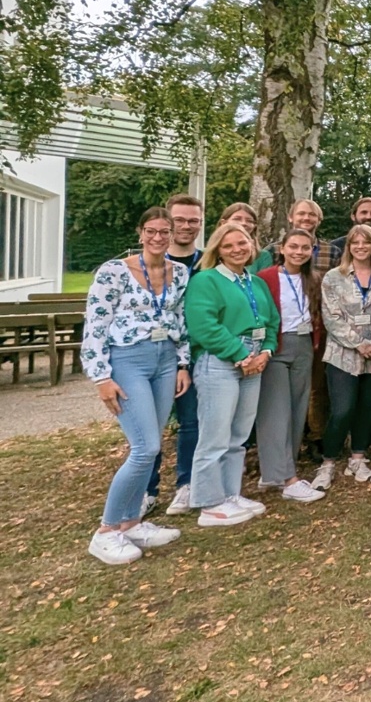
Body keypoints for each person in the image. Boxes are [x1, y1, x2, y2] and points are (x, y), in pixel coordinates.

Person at [81, 208, 191, 564]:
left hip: (165, 360)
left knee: (150, 443)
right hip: (128, 359)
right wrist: (101, 377)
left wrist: (183, 363)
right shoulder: (114, 272)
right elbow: (95, 326)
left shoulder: (180, 273)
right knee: (145, 447)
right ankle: (107, 530)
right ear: (140, 232)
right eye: (151, 231)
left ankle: (131, 522)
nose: (158, 238)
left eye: (164, 232)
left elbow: (180, 319)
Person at [185, 222, 278, 526]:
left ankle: (230, 494)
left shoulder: (255, 282)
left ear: (252, 246)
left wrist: (265, 351)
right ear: (217, 251)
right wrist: (241, 356)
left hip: (254, 360)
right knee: (215, 435)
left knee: (238, 435)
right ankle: (208, 503)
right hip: (220, 362)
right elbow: (204, 326)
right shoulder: (206, 280)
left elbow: (271, 323)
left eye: (242, 243)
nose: (237, 249)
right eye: (228, 246)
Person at [253, 228, 326, 503]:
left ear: (312, 251)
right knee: (275, 411)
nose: (299, 252)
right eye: (293, 246)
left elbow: (316, 312)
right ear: (282, 248)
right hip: (276, 345)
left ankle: (282, 470)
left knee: (297, 409)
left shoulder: (313, 278)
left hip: (305, 344)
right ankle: (285, 478)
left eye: (305, 248)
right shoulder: (265, 278)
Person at [315, 224, 371, 490]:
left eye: (365, 242)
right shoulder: (334, 277)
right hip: (342, 353)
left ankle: (358, 456)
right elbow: (331, 317)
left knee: (367, 409)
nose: (360, 247)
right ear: (349, 247)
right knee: (342, 409)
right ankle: (328, 461)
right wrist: (359, 343)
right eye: (355, 242)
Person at [146, 193, 205, 517]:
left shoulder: (207, 261)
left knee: (191, 421)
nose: (186, 226)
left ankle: (186, 483)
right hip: (151, 355)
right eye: (179, 220)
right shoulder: (143, 264)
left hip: (194, 354)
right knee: (149, 424)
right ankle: (147, 489)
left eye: (193, 220)